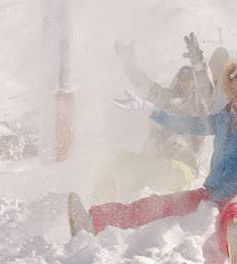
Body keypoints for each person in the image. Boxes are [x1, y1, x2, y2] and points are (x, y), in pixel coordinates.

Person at [68, 56, 237, 264]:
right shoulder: (223, 119)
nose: (235, 95)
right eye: (233, 89)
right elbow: (185, 125)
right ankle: (93, 221)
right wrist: (148, 109)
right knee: (157, 203)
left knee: (235, 215)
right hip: (211, 192)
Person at [93, 33, 229, 203]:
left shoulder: (198, 106)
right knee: (116, 160)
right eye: (181, 72)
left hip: (181, 169)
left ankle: (146, 204)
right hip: (153, 164)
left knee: (170, 170)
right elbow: (143, 84)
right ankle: (99, 206)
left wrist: (197, 63)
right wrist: (129, 63)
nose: (184, 75)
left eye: (189, 73)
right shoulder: (164, 97)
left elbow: (206, 91)